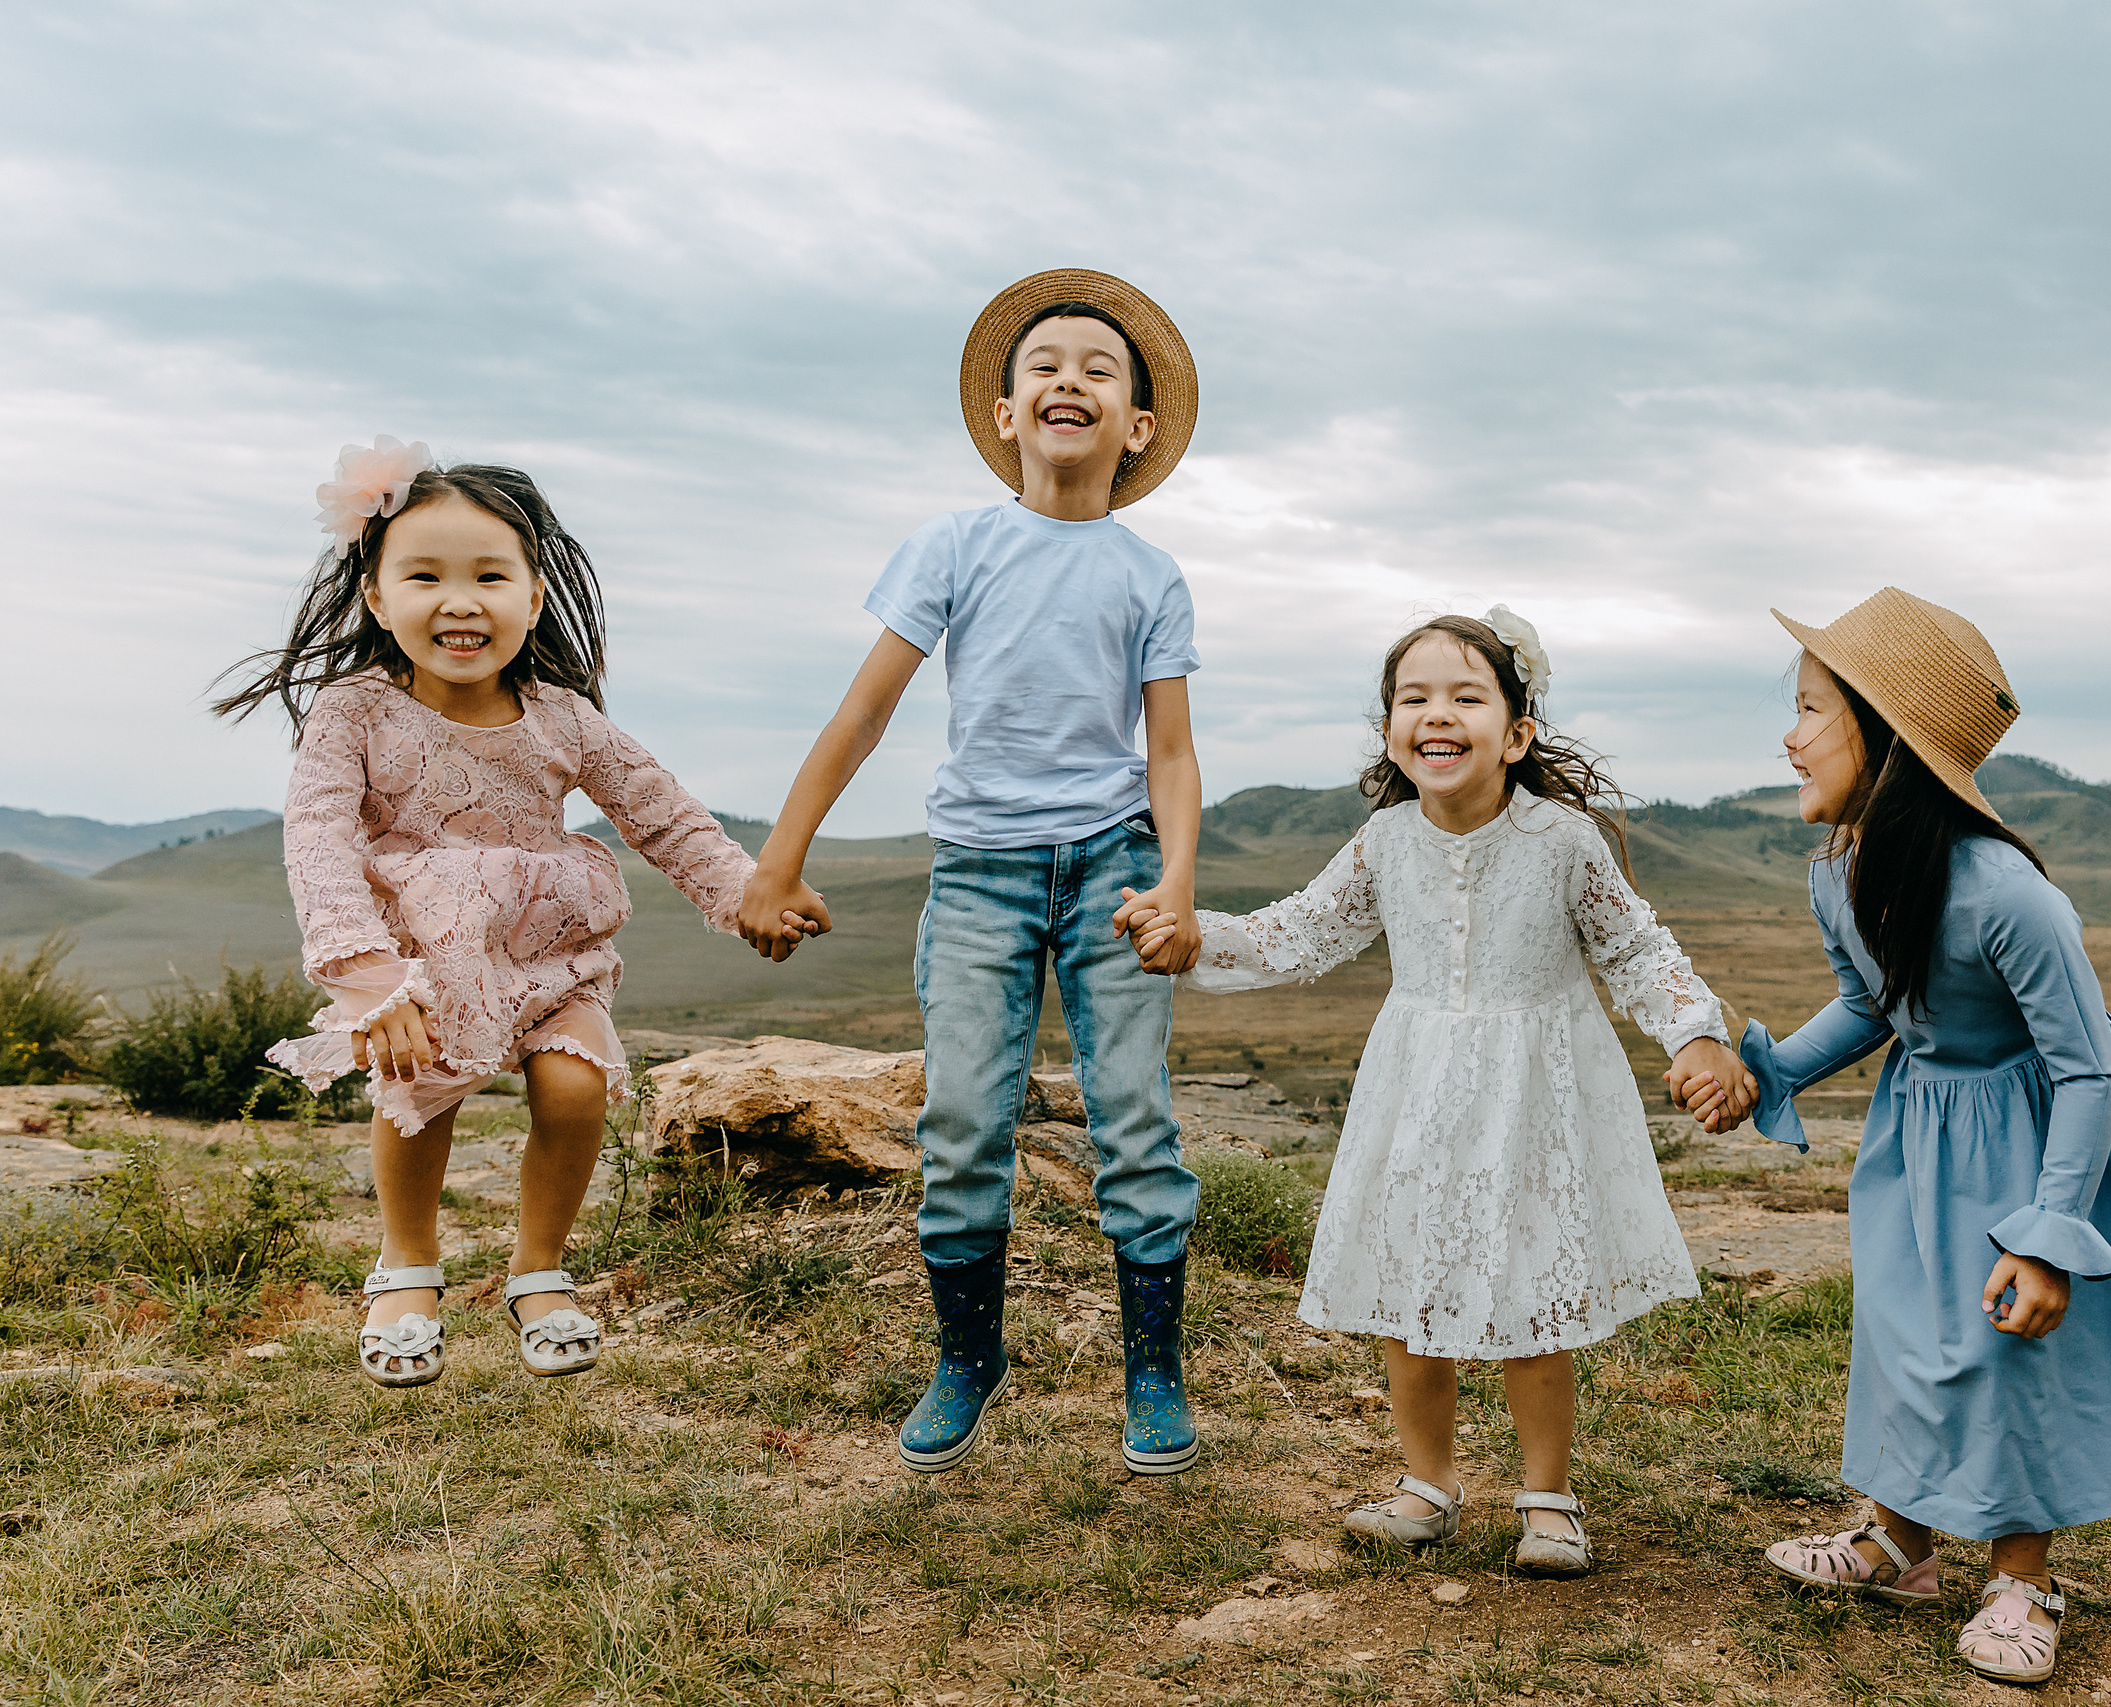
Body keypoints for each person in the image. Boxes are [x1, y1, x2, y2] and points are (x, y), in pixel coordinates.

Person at [1122, 609, 1758, 1577]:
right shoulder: (1385, 845)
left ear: (1516, 734)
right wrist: (1192, 937)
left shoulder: (1561, 843)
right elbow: (1299, 934)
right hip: (1415, 1094)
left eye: (1467, 695)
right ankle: (1428, 1485)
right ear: (1390, 733)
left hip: (1536, 1096)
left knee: (1531, 1295)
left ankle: (1547, 1497)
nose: (1436, 713)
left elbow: (1634, 948)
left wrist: (1698, 1033)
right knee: (1411, 1293)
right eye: (1413, 697)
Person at [737, 271, 1210, 1479]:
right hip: (981, 876)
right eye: (1043, 365)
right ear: (1005, 415)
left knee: (1135, 1119)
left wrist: (1177, 891)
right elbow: (863, 712)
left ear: (1136, 428)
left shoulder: (1149, 574)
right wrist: (778, 860)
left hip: (1113, 868)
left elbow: (1170, 750)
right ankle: (967, 1359)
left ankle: (1152, 1373)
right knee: (961, 1119)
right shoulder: (953, 546)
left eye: (1099, 370)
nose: (1069, 380)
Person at [1738, 589, 2111, 1685]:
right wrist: (1773, 1070)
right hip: (1921, 1133)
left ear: (1883, 736)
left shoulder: (2010, 895)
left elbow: (2086, 1066)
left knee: (2009, 1350)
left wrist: (2049, 1228)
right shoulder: (1837, 866)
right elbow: (1874, 1006)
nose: (1788, 737)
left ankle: (2023, 1578)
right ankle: (1899, 1539)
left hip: (2034, 1135)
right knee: (1906, 1329)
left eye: (1810, 712)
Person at [221, 438, 768, 1390]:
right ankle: (407, 1267)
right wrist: (368, 974)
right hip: (420, 963)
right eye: (425, 574)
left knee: (572, 1089)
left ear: (534, 597)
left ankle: (539, 1271)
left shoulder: (561, 714)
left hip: (551, 949)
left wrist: (743, 892)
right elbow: (317, 837)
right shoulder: (354, 711)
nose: (460, 598)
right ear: (378, 599)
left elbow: (661, 809)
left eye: (490, 575)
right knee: (419, 1091)